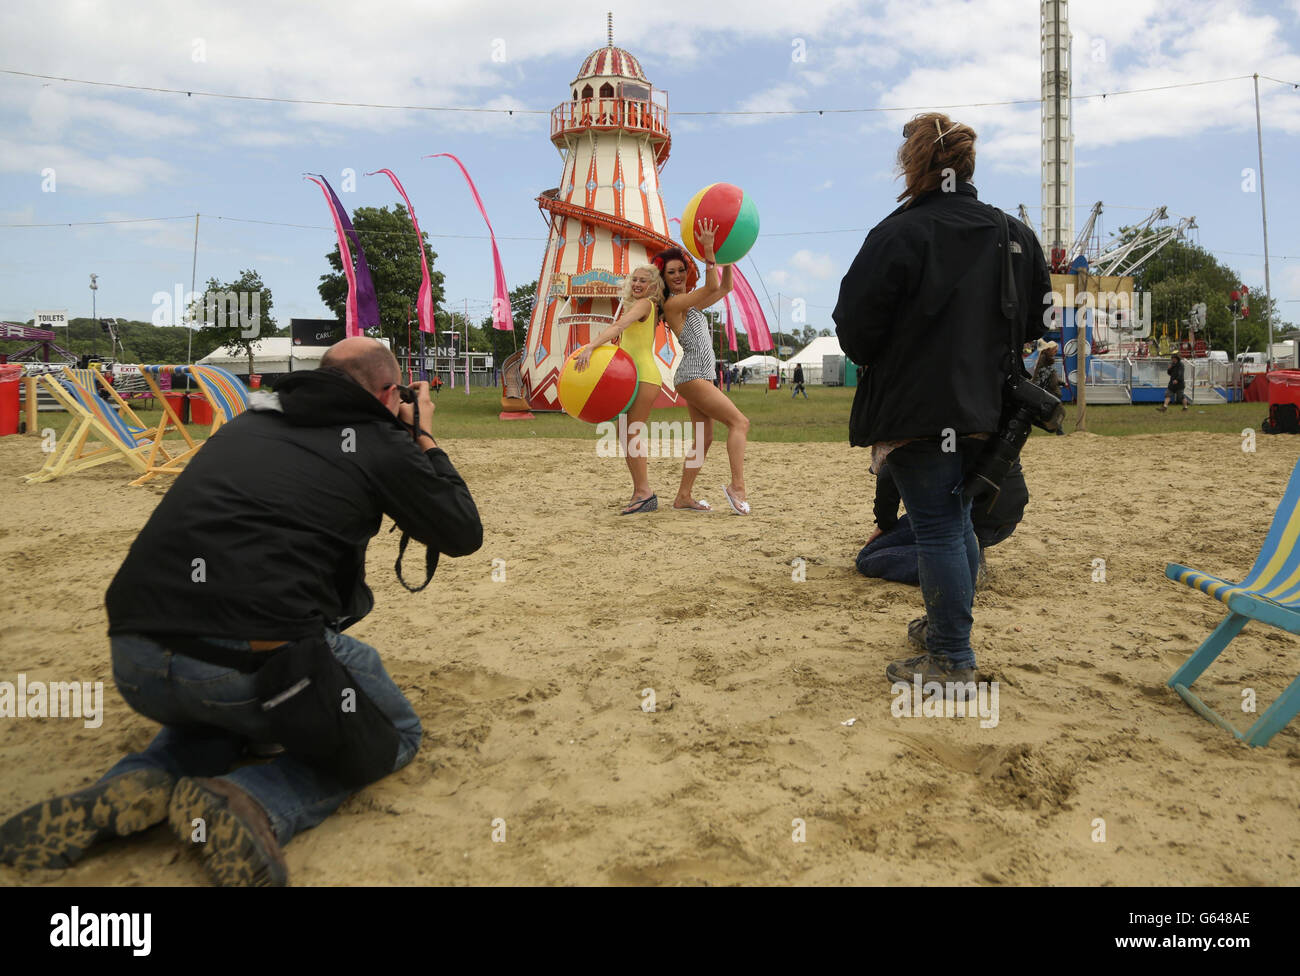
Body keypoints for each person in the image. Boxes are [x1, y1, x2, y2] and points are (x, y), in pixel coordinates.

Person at [0, 337, 483, 885]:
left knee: (230, 713)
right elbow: (461, 531)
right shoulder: (378, 441)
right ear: (390, 391)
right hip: (244, 665)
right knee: (394, 729)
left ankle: (141, 779)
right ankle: (254, 799)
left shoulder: (249, 421)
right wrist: (421, 433)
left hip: (135, 657)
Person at [833, 111, 1051, 689]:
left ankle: (952, 657)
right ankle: (942, 630)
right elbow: (1036, 319)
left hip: (917, 408)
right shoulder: (1014, 235)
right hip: (990, 409)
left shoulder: (897, 233)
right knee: (955, 526)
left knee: (937, 528)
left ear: (912, 165)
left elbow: (854, 331)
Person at [653, 226, 752, 515]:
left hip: (697, 376)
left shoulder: (691, 304)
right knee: (739, 423)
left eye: (681, 269)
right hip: (692, 374)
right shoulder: (673, 304)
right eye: (671, 272)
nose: (678, 275)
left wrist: (728, 257)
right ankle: (737, 487)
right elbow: (710, 287)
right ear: (665, 278)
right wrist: (710, 253)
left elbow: (724, 288)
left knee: (704, 438)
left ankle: (683, 496)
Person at [574, 265, 666, 514]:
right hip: (631, 378)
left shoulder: (646, 304)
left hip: (645, 376)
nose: (637, 284)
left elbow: (619, 327)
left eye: (643, 281)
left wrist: (591, 346)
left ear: (653, 286)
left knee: (630, 434)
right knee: (624, 434)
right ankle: (640, 491)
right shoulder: (638, 304)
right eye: (634, 279)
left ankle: (645, 492)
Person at [856, 458, 1029, 588]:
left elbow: (889, 471)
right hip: (1006, 520)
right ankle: (970, 552)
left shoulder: (921, 418)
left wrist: (884, 523)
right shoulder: (988, 413)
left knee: (866, 559)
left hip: (960, 517)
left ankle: (964, 566)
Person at [1031, 339, 1065, 435]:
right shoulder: (1044, 358)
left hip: (1049, 389)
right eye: (1055, 349)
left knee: (1055, 411)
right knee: (1056, 411)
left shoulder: (1045, 358)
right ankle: (1059, 431)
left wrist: (1061, 383)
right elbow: (1042, 373)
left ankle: (1059, 430)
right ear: (1050, 349)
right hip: (1050, 391)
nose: (1056, 351)